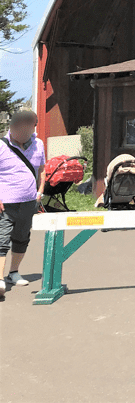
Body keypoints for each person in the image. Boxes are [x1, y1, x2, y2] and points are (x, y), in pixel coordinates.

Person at [0, 110, 46, 298]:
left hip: (29, 202)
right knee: (1, 240)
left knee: (21, 238)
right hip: (6, 203)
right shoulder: (2, 145)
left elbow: (42, 168)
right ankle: (0, 279)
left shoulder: (38, 144)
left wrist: (40, 190)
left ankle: (13, 273)